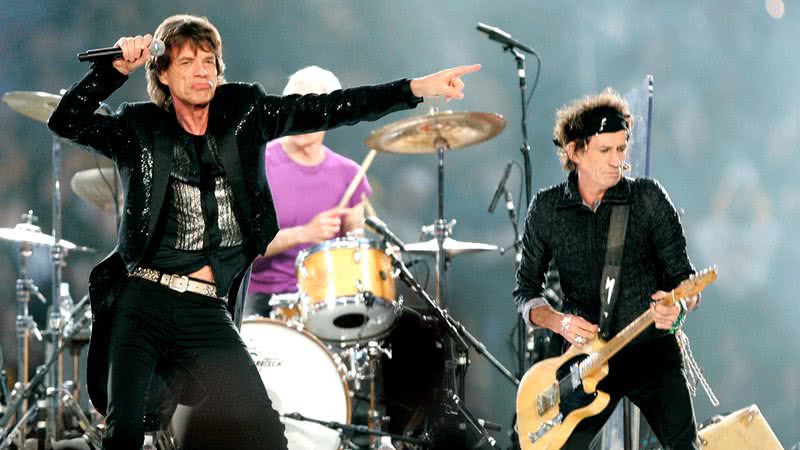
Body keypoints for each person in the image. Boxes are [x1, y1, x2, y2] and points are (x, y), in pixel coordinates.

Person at [48, 14, 479, 450]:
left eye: (209, 61)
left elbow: (331, 106)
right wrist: (112, 72)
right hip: (143, 301)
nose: (202, 71)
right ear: (161, 72)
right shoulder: (137, 128)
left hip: (204, 308)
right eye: (187, 62)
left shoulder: (246, 115)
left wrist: (415, 89)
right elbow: (66, 121)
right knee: (122, 433)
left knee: (267, 434)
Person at [513, 88, 701, 449]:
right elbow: (525, 293)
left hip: (650, 349)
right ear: (574, 151)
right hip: (587, 360)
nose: (617, 160)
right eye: (605, 150)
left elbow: (685, 280)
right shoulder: (547, 209)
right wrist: (559, 321)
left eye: (621, 149)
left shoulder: (647, 198)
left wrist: (676, 309)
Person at [245, 65, 371, 318]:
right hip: (262, 303)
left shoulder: (350, 174)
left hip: (325, 300)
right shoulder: (257, 163)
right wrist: (305, 233)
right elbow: (242, 246)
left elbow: (356, 247)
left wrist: (365, 249)